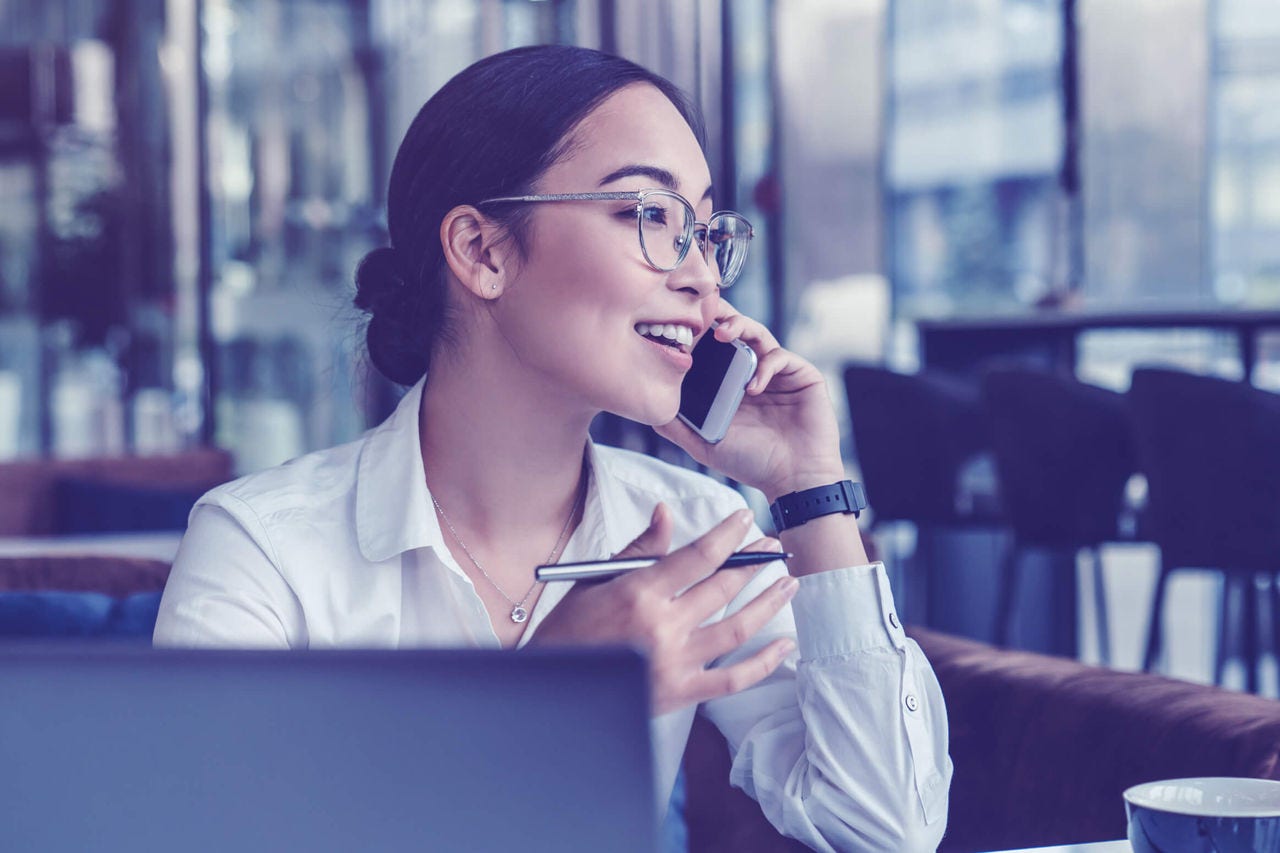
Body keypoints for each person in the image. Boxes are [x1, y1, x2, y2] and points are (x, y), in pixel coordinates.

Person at [154, 44, 952, 851]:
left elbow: (886, 829)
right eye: (650, 215)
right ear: (482, 251)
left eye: (704, 231)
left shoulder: (698, 534)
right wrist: (534, 701)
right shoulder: (262, 547)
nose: (705, 278)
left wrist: (809, 487)